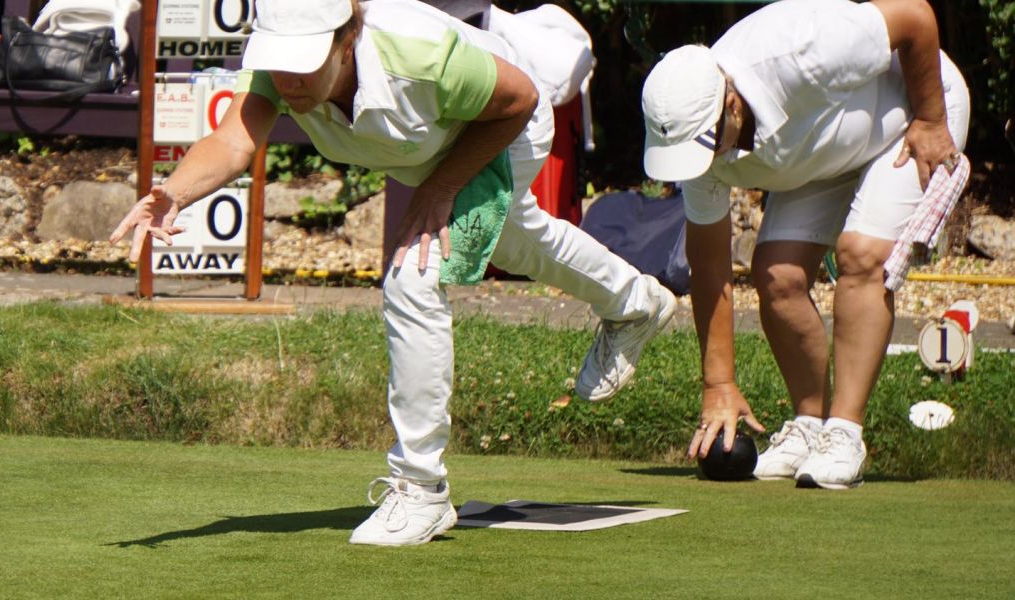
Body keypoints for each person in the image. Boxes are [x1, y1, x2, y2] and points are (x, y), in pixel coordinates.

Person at [112, 0, 677, 546]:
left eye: (304, 59)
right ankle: (636, 303)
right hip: (436, 142)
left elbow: (521, 99)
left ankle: (422, 488)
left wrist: (441, 187)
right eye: (279, 59)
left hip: (502, 128)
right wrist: (174, 194)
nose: (288, 78)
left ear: (346, 41)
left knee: (414, 276)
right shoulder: (279, 71)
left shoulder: (417, 54)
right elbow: (233, 141)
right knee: (517, 239)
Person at [640, 0, 969, 489]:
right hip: (826, 146)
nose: (699, 163)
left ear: (731, 105)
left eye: (705, 146)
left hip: (914, 113)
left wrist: (931, 120)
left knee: (860, 254)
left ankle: (845, 434)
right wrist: (719, 385)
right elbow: (709, 265)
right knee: (777, 275)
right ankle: (810, 427)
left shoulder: (803, 50)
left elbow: (915, 16)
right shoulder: (696, 141)